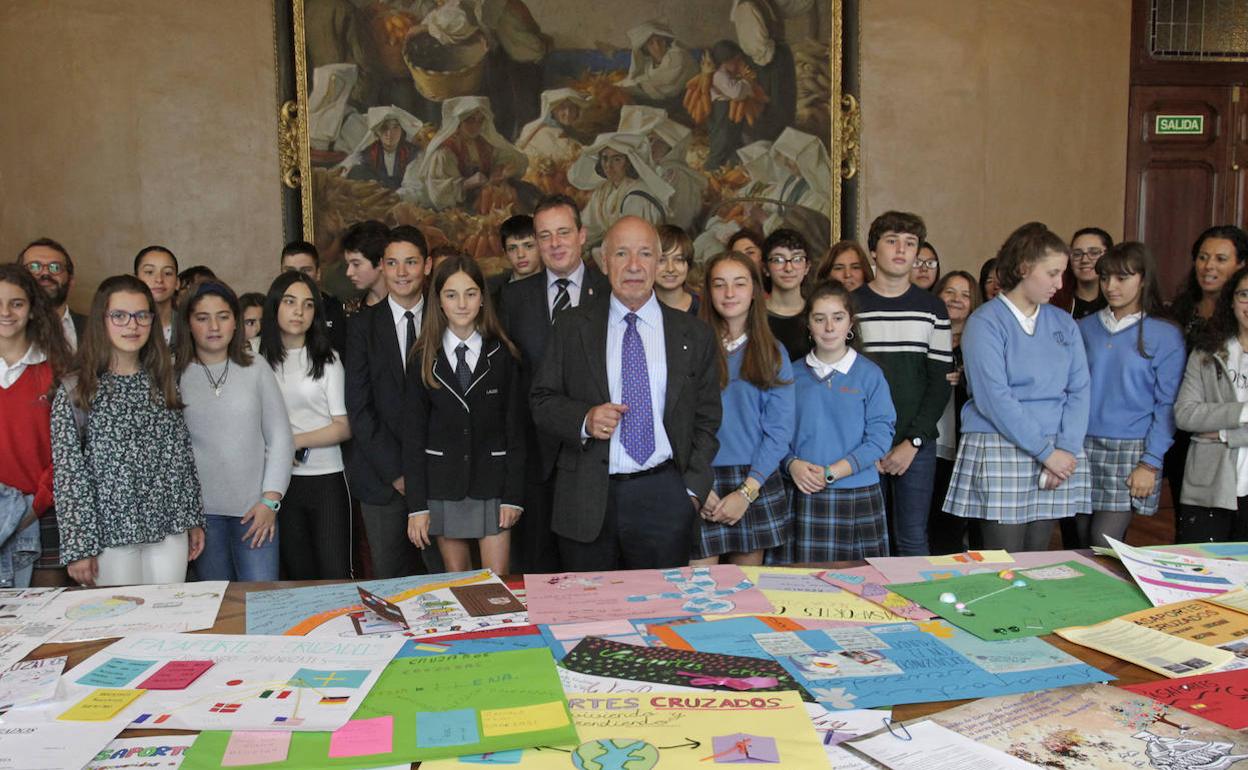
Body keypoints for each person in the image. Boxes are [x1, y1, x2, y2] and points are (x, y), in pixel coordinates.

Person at [530, 216, 721, 569]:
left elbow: (707, 421)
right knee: (588, 618)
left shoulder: (693, 335)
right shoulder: (572, 327)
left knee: (663, 617)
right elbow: (541, 401)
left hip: (664, 496)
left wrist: (690, 492)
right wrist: (584, 419)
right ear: (605, 262)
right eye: (621, 253)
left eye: (645, 254)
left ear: (657, 262)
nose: (633, 265)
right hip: (586, 498)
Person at [945, 222, 1091, 551]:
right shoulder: (985, 322)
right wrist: (1046, 452)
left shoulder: (1062, 323)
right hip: (1002, 444)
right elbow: (994, 398)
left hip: (1057, 449)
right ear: (1024, 268)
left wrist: (1065, 450)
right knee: (1004, 560)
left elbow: (1080, 389)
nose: (1060, 283)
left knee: (1036, 557)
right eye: (1052, 273)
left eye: (1062, 273)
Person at [52, 276, 205, 586]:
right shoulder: (77, 390)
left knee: (170, 621)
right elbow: (70, 476)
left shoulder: (163, 382)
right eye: (119, 316)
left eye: (141, 315)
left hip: (168, 528)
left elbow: (181, 457)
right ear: (101, 321)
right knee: (122, 623)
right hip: (110, 535)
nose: (132, 325)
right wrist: (79, 545)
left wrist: (192, 519)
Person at [499, 195, 610, 573]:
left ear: (582, 236)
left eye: (563, 233)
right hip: (533, 461)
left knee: (593, 576)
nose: (555, 244)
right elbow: (509, 385)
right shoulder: (512, 299)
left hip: (593, 459)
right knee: (538, 574)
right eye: (545, 236)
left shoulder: (610, 293)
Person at [403, 256, 524, 576]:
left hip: (493, 483)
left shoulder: (503, 355)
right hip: (444, 484)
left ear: (483, 297)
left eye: (470, 293)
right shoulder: (422, 358)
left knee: (496, 585)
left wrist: (513, 497)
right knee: (458, 582)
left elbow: (516, 432)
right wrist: (417, 506)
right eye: (451, 295)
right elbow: (413, 438)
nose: (461, 303)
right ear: (439, 301)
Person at [176, 281, 292, 582]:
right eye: (202, 318)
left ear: (235, 321)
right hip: (201, 518)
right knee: (215, 607)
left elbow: (280, 437)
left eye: (223, 316)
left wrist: (270, 501)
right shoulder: (174, 372)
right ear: (188, 323)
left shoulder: (255, 367)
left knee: (261, 600)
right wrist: (187, 516)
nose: (214, 326)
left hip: (255, 511)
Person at [345, 226, 443, 578]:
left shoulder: (447, 318)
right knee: (390, 583)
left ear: (427, 265)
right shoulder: (361, 326)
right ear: (382, 267)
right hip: (382, 480)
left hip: (441, 479)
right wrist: (400, 474)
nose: (401, 273)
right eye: (392, 263)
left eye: (411, 262)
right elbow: (359, 408)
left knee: (447, 581)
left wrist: (423, 473)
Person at [855, 211, 952, 555]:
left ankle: (917, 610)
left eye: (910, 243)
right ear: (874, 250)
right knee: (868, 542)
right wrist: (872, 444)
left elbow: (940, 384)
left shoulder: (932, 308)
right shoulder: (852, 306)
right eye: (892, 241)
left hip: (916, 444)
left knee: (912, 539)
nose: (901, 250)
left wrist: (911, 441)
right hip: (861, 446)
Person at [1077, 242, 1184, 548]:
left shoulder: (1165, 334)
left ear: (1143, 279)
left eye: (1122, 278)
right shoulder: (1083, 328)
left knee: (1103, 541)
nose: (1111, 286)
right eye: (1105, 278)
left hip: (1131, 450)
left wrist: (1150, 463)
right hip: (1080, 445)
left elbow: (1167, 405)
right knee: (1080, 539)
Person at [692, 251, 794, 566]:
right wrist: (695, 483)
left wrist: (746, 493)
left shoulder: (773, 353)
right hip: (701, 476)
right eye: (719, 285)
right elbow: (675, 421)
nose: (730, 293)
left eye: (739, 283)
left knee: (744, 597)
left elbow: (779, 432)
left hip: (753, 480)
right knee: (698, 594)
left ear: (754, 290)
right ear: (708, 292)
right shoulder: (690, 347)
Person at [784, 281, 895, 562]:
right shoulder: (790, 375)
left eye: (837, 318)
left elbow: (880, 437)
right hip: (804, 492)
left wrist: (832, 473)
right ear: (808, 325)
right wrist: (790, 464)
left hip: (857, 494)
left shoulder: (870, 375)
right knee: (804, 589)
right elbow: (774, 433)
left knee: (863, 588)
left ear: (850, 324)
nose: (829, 327)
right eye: (819, 319)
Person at [259, 272, 353, 579]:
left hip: (325, 478)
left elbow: (343, 427)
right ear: (275, 306)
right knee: (296, 575)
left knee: (333, 572)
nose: (299, 311)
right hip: (276, 483)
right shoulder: (253, 355)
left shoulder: (327, 359)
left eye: (308, 304)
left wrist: (293, 441)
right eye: (290, 302)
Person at [1165, 225, 1248, 520]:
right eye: (1202, 257)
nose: (1209, 266)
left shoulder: (1240, 324)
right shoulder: (1178, 313)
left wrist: (1225, 431)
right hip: (1177, 427)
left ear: (1240, 265)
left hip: (1223, 439)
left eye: (1220, 258)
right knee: (1188, 521)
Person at [0, 265, 73, 587]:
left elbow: (69, 448)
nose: (6, 312)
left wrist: (37, 502)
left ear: (31, 310)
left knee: (45, 614)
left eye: (16, 303)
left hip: (45, 509)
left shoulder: (56, 369)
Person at [928, 270, 981, 554]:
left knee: (951, 524)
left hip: (960, 445)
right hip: (924, 442)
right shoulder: (925, 336)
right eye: (950, 292)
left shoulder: (979, 342)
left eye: (965, 294)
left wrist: (969, 378)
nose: (956, 299)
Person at [415, 96, 532, 213]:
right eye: (470, 120)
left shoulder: (485, 142)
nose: (476, 126)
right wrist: (468, 183)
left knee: (525, 193)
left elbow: (508, 157)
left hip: (489, 195)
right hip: (463, 205)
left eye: (480, 120)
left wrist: (499, 170)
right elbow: (439, 193)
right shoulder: (445, 151)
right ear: (459, 122)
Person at [568, 132, 673, 248]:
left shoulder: (638, 195)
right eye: (605, 158)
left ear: (629, 162)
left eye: (616, 159)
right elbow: (589, 227)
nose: (608, 165)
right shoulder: (603, 191)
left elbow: (636, 239)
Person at [619, 106, 707, 233]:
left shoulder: (678, 175)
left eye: (656, 141)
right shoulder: (645, 173)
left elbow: (681, 220)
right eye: (647, 142)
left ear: (670, 145)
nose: (651, 147)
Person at [729, 0, 795, 142]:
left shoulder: (765, 2)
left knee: (783, 105)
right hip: (766, 61)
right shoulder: (746, 6)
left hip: (775, 59)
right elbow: (755, 45)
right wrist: (771, 56)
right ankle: (765, 145)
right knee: (770, 106)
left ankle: (780, 143)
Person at [281, 240, 348, 354]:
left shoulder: (335, 309)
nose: (298, 277)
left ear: (318, 274)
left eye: (306, 270)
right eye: (290, 271)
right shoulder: (274, 307)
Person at [17, 238, 84, 351]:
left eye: (55, 267)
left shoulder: (96, 328)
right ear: (17, 279)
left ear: (71, 281)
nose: (45, 273)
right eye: (34, 267)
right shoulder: (5, 325)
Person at [340, 106, 424, 193]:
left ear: (402, 130)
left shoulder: (412, 154)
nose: (389, 133)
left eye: (395, 127)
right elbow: (343, 170)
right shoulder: (367, 152)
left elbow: (414, 188)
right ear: (377, 132)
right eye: (384, 128)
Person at [619, 21, 698, 109]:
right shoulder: (648, 64)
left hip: (684, 104)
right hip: (662, 104)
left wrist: (629, 86)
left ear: (666, 41)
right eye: (651, 43)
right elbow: (640, 80)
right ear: (645, 48)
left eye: (660, 41)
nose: (657, 47)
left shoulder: (677, 55)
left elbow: (666, 88)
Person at [763, 228, 812, 361]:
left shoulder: (816, 313)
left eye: (797, 259)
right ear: (766, 268)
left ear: (807, 267)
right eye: (778, 260)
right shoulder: (753, 315)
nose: (788, 268)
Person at [517, 89, 590, 165]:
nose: (568, 113)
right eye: (562, 108)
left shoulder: (578, 132)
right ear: (553, 110)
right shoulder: (543, 132)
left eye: (572, 108)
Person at [1054, 227, 1112, 319]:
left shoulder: (1116, 301)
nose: (1084, 260)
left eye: (1094, 253)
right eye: (1077, 254)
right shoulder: (1055, 301)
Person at [486, 214, 541, 307]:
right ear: (505, 253)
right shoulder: (491, 291)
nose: (520, 254)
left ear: (541, 247)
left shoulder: (558, 287)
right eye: (512, 248)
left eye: (528, 246)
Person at [342, 220, 392, 312]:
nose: (348, 272)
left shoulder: (406, 305)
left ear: (380, 262)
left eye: (356, 264)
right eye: (348, 264)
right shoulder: (353, 310)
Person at [133, 245, 179, 344]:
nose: (159, 279)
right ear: (135, 280)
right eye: (149, 272)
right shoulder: (125, 325)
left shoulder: (190, 325)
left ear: (177, 283)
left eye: (167, 273)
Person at [656, 224, 699, 315]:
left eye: (678, 260)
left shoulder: (704, 308)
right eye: (662, 260)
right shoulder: (637, 310)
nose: (670, 268)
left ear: (688, 265)